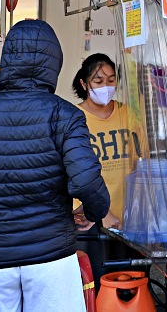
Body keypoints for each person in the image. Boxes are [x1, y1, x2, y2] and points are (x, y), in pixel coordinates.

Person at [0, 19, 110, 312]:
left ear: (7, 60)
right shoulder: (65, 116)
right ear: (53, 64)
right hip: (51, 260)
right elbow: (86, 182)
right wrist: (93, 212)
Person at [71, 53, 131, 231]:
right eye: (98, 82)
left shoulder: (129, 115)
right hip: (88, 220)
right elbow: (67, 174)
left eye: (111, 80)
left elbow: (142, 164)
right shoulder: (72, 119)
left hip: (130, 218)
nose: (106, 86)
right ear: (84, 84)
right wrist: (100, 213)